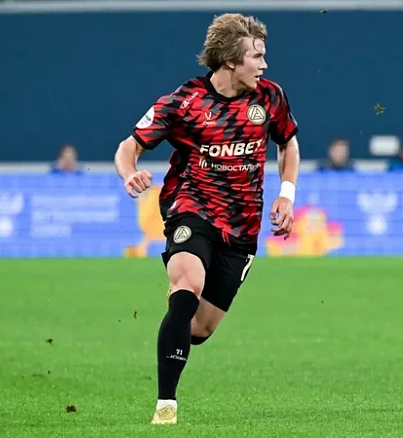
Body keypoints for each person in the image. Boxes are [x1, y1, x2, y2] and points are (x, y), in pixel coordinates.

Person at [113, 13, 300, 425]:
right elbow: (129, 146)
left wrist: (286, 194)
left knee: (198, 329)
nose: (264, 64)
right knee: (187, 286)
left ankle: (179, 316)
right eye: (257, 56)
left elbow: (288, 143)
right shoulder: (184, 102)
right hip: (191, 207)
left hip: (242, 225)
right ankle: (166, 405)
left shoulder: (270, 98)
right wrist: (130, 173)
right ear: (231, 60)